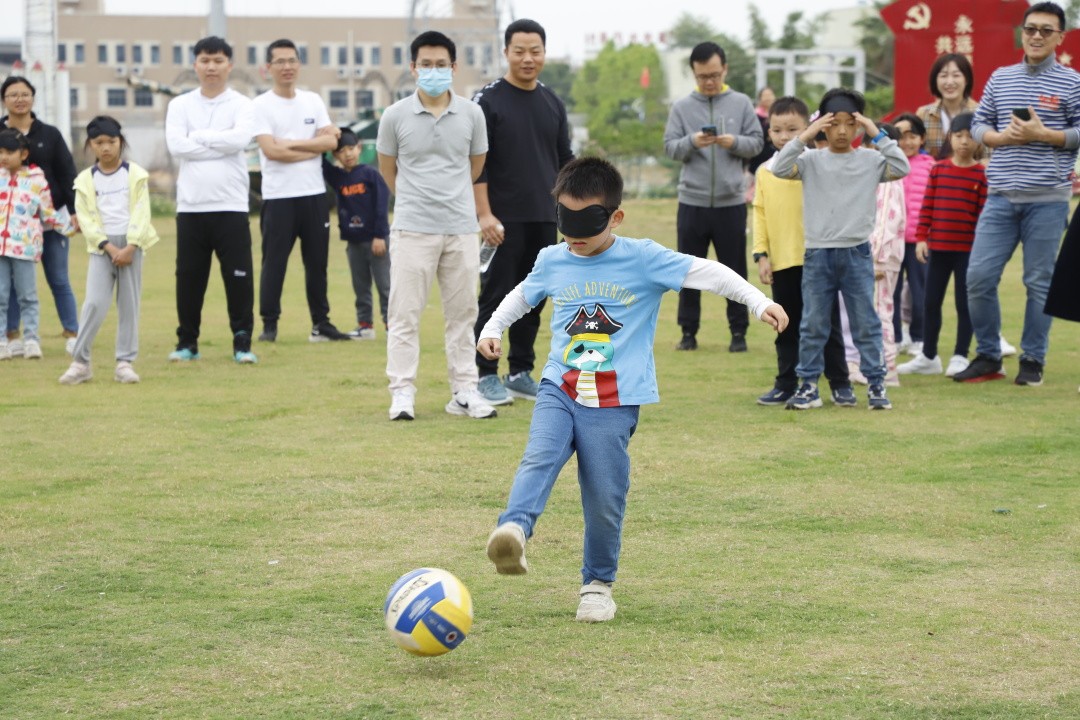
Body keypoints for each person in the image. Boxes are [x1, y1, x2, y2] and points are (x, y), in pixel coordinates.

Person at [479, 157, 787, 622]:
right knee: (539, 456)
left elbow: (712, 272)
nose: (574, 234)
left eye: (587, 222)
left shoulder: (643, 258)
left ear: (615, 217)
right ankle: (514, 532)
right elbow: (524, 294)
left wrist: (758, 301)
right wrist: (493, 327)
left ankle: (597, 586)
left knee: (604, 496)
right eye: (566, 220)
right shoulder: (552, 258)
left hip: (615, 400)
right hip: (560, 385)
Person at [957, 2, 1080, 386]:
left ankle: (1033, 360)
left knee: (1038, 282)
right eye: (1031, 29)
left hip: (1048, 197)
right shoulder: (1001, 77)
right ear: (1022, 33)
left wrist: (1046, 135)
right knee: (978, 277)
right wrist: (998, 137)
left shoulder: (1072, 82)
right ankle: (990, 356)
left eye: (1046, 30)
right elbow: (979, 124)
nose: (1037, 36)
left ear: (1060, 37)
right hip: (1000, 195)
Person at [376, 30, 494, 421]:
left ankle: (465, 390)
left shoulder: (472, 114)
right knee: (404, 314)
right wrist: (417, 199)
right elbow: (388, 171)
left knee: (462, 314)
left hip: (460, 228)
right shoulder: (394, 116)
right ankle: (402, 392)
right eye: (425, 64)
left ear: (454, 68)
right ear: (413, 68)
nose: (433, 70)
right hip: (412, 228)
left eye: (441, 64)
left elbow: (475, 167)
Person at [771, 88, 910, 410]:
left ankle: (877, 385)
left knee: (866, 323)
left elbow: (901, 167)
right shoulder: (811, 160)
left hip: (856, 253)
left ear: (860, 126)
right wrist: (807, 133)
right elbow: (779, 168)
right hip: (818, 254)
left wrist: (876, 131)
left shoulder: (871, 160)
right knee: (813, 324)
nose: (843, 131)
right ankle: (807, 387)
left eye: (851, 123)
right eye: (835, 124)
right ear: (825, 125)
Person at [471, 18, 574, 406]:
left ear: (544, 53)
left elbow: (565, 161)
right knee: (496, 296)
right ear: (506, 53)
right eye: (520, 51)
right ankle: (485, 375)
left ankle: (520, 371)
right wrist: (484, 216)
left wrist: (570, 216)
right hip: (501, 220)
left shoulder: (552, 102)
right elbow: (478, 164)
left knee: (535, 296)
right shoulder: (488, 101)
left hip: (544, 217)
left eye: (535, 51)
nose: (528, 59)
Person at [752, 96, 853, 407]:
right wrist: (762, 254)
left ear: (808, 129)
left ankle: (840, 383)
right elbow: (760, 213)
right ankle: (786, 383)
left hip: (820, 257)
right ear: (769, 132)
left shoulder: (819, 163)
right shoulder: (765, 172)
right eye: (777, 130)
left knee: (828, 323)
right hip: (783, 260)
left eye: (792, 129)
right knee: (785, 324)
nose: (784, 137)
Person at [663, 41, 763, 353]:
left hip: (731, 202)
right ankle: (688, 332)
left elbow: (757, 144)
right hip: (691, 202)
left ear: (725, 70)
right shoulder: (681, 107)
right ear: (694, 73)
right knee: (687, 271)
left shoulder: (742, 103)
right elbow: (670, 147)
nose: (709, 81)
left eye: (715, 75)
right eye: (703, 76)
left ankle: (738, 332)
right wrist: (693, 141)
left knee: (734, 271)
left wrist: (733, 142)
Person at [165, 35, 258, 364]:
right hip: (191, 207)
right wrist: (220, 142)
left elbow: (240, 140)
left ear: (229, 65)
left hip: (231, 206)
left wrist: (200, 138)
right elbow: (177, 146)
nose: (211, 67)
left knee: (239, 278)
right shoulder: (180, 105)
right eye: (205, 60)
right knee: (189, 278)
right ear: (195, 65)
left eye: (218, 60)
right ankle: (188, 342)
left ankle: (242, 341)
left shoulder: (243, 104)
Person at [253, 38, 348, 343]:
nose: (287, 66)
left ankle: (321, 323)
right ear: (267, 68)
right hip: (279, 197)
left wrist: (291, 142)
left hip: (313, 195)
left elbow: (331, 143)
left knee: (317, 263)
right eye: (279, 61)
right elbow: (271, 151)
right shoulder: (260, 105)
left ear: (299, 64)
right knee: (274, 263)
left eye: (292, 60)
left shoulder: (313, 101)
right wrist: (313, 147)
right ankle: (269, 324)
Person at [60, 117, 159, 385]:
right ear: (90, 145)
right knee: (94, 303)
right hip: (101, 247)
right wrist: (109, 246)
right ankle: (81, 362)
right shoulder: (84, 180)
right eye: (99, 143)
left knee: (129, 305)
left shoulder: (135, 174)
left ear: (121, 142)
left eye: (111, 142)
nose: (105, 148)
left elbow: (142, 210)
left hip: (131, 246)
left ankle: (124, 362)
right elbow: (86, 219)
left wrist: (130, 246)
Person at [899, 113, 988, 380]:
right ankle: (928, 355)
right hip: (937, 248)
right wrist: (922, 238)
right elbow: (927, 207)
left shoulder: (981, 174)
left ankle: (960, 355)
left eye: (970, 136)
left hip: (967, 251)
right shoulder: (938, 170)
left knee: (964, 303)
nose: (964, 142)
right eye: (958, 136)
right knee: (930, 301)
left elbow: (984, 215)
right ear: (950, 137)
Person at [1, 76, 80, 355]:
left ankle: (72, 333)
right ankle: (11, 337)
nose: (19, 99)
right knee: (8, 286)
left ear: (33, 98)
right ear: (4, 100)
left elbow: (67, 173)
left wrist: (74, 211)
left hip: (50, 219)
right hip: (10, 227)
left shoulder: (50, 134)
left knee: (58, 278)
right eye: (13, 94)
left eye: (25, 94)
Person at [322, 128, 391, 340]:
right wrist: (325, 137)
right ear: (335, 155)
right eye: (341, 151)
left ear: (359, 148)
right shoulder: (339, 178)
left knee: (384, 285)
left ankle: (393, 326)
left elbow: (382, 206)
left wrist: (380, 236)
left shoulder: (371, 174)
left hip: (375, 240)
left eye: (351, 148)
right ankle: (365, 326)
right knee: (361, 286)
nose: (348, 154)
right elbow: (320, 163)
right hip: (353, 242)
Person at [891, 113, 935, 357]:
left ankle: (918, 336)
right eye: (901, 136)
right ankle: (895, 337)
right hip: (892, 241)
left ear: (922, 138)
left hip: (920, 242)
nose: (906, 142)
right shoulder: (888, 164)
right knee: (892, 292)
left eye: (912, 136)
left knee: (921, 292)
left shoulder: (930, 166)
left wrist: (927, 236)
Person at [917, 53, 982, 157]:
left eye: (956, 75)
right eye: (943, 76)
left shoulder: (981, 113)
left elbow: (988, 158)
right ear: (935, 80)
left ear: (967, 80)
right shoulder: (924, 114)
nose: (949, 82)